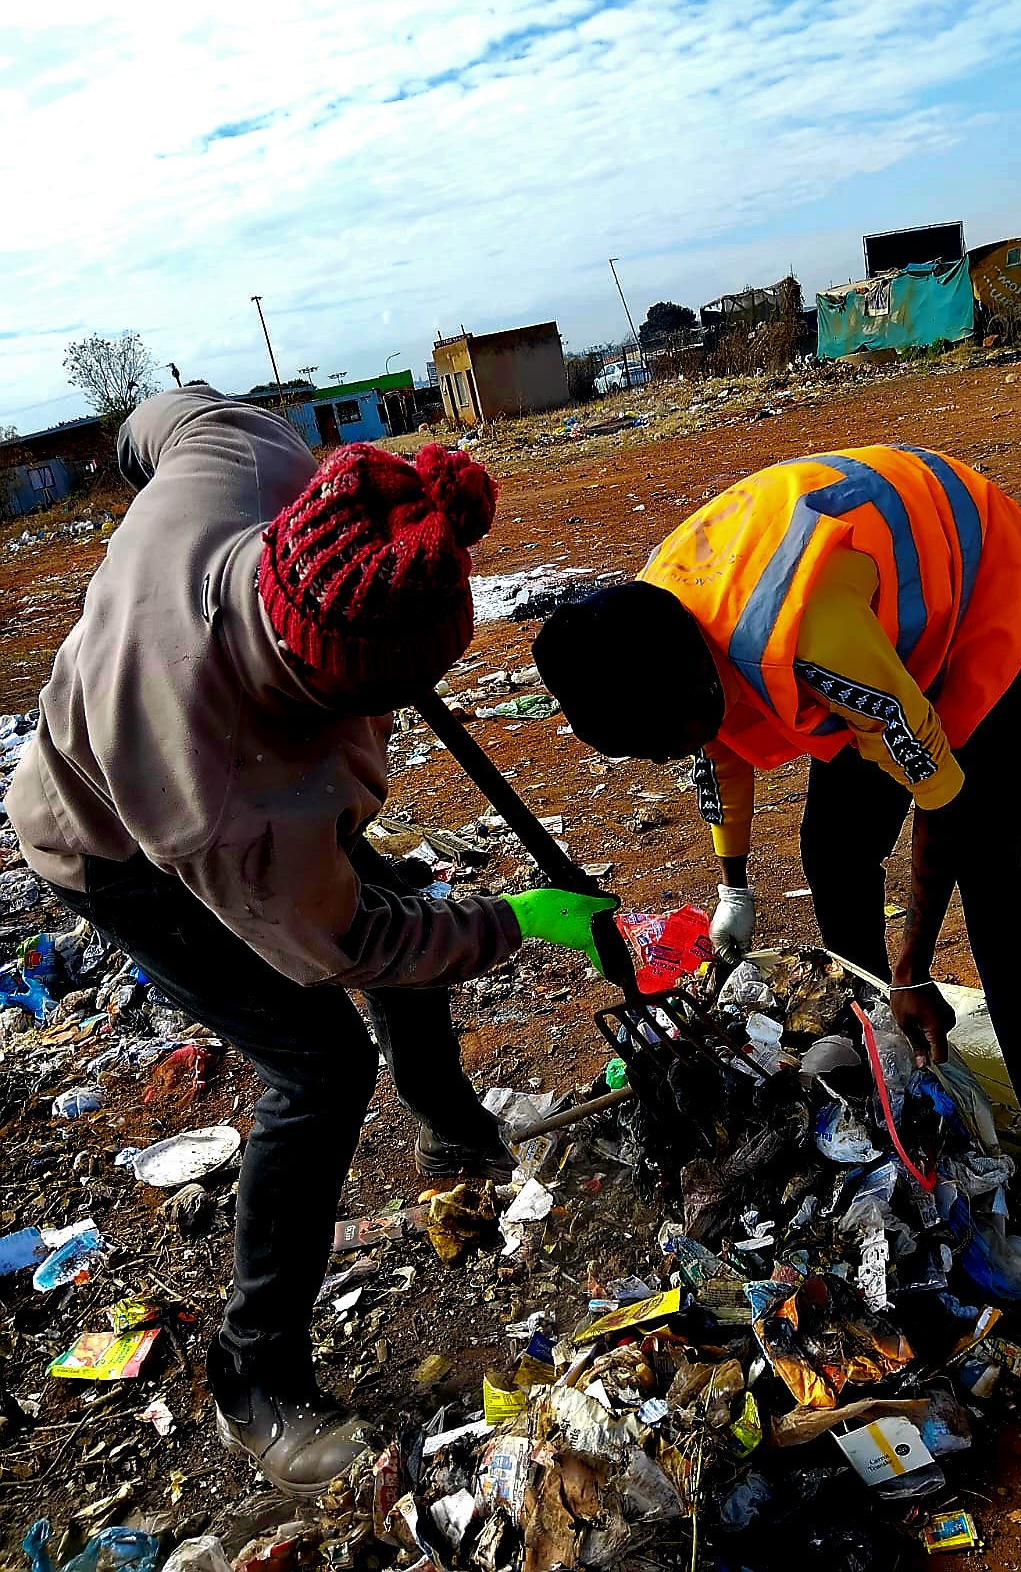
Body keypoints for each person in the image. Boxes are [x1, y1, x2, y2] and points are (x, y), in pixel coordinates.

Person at [6, 386, 611, 1495]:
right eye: (378, 698)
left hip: (245, 734)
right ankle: (256, 1379)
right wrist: (512, 922)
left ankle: (452, 1138)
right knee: (322, 1062)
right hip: (107, 840)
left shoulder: (246, 455)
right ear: (319, 686)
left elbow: (159, 417)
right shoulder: (231, 792)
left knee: (411, 891)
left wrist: (155, 514)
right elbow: (343, 943)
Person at [533, 444, 1021, 1283]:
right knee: (834, 849)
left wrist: (916, 968)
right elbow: (717, 750)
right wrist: (732, 883)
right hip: (868, 616)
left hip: (979, 591)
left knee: (995, 877)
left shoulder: (809, 647)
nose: (679, 760)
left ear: (703, 686)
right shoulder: (651, 625)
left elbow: (943, 801)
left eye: (672, 742)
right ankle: (882, 1042)